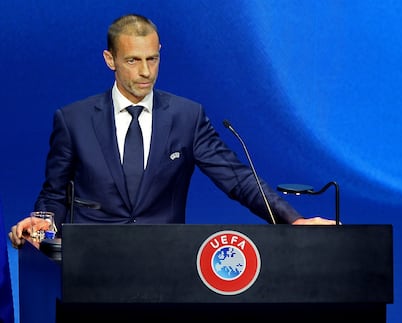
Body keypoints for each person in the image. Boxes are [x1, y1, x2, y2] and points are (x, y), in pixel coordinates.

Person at [9, 13, 335, 248]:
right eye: (133, 61)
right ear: (110, 59)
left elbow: (238, 180)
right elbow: (54, 193)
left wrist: (293, 220)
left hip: (163, 265)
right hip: (90, 264)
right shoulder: (73, 119)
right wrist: (44, 223)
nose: (146, 72)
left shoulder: (186, 117)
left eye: (152, 58)